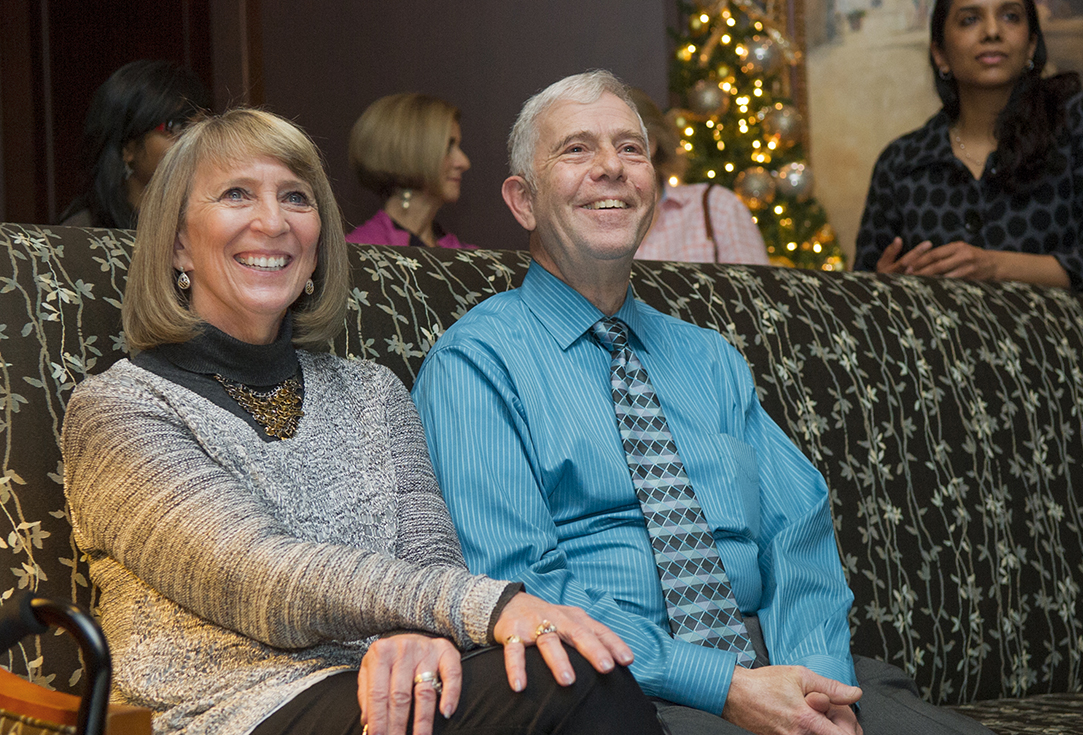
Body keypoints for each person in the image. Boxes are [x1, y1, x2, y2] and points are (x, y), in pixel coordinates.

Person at [411, 70, 996, 735]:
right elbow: (522, 586)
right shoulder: (476, 363)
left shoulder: (709, 358)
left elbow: (795, 525)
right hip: (623, 687)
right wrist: (724, 685)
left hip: (779, 662)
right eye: (576, 149)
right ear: (523, 200)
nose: (611, 167)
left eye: (631, 149)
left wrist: (815, 679)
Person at [60, 108, 664, 735]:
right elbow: (259, 576)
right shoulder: (120, 409)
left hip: (400, 694)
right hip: (236, 712)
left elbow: (434, 562)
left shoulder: (372, 391)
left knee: (573, 668)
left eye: (296, 198)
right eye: (237, 194)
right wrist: (495, 607)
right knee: (575, 677)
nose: (273, 222)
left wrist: (421, 639)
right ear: (179, 241)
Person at [853, 0, 1083, 297]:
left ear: (1032, 44)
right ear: (940, 54)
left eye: (1010, 16)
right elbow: (862, 300)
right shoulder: (900, 162)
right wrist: (885, 287)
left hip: (1061, 342)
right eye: (970, 20)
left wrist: (996, 268)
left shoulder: (1080, 121)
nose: (992, 31)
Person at [58, 59, 210, 229]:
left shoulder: (212, 224)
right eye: (176, 127)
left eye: (201, 127)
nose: (194, 141)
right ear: (127, 147)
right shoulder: (83, 236)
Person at [629, 88, 770, 265]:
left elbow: (754, 289)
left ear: (650, 143)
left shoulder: (716, 207)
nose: (609, 161)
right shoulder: (589, 223)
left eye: (626, 147)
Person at [347, 94, 475, 249]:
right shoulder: (358, 254)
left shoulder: (471, 260)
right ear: (408, 152)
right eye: (448, 147)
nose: (464, 163)